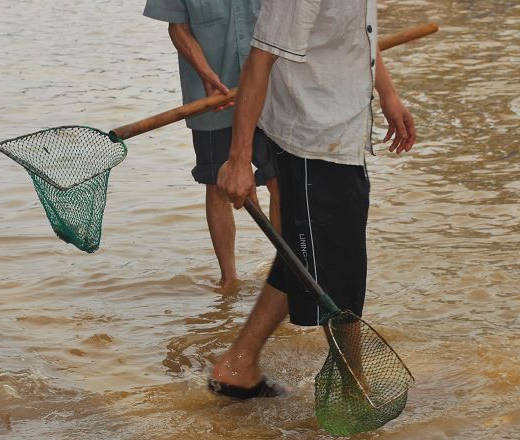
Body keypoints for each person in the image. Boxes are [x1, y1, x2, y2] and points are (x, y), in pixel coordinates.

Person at [209, 0, 416, 398]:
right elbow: (259, 61)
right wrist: (238, 161)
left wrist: (388, 93)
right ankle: (353, 389)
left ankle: (238, 364)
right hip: (312, 139)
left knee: (308, 257)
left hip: (344, 128)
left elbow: (358, 34)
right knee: (342, 268)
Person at [143, 0, 280, 292]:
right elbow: (178, 27)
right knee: (217, 184)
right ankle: (229, 279)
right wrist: (205, 72)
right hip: (212, 97)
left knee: (279, 178)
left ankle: (287, 271)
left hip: (269, 89)